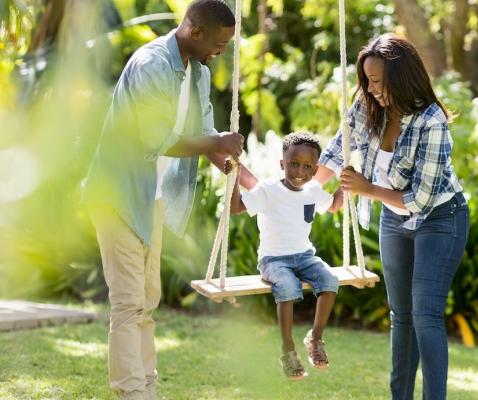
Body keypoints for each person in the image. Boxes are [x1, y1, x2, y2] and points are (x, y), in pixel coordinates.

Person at [82, 1, 258, 398]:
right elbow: (156, 139)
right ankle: (132, 392)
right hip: (119, 193)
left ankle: (146, 387)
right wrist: (215, 142)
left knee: (147, 298)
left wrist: (250, 182)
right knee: (129, 301)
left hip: (153, 195)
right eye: (220, 42)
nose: (222, 51)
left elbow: (206, 135)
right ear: (195, 32)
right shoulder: (152, 66)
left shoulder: (197, 73)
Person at [314, 34, 470, 400]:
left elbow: (420, 198)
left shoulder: (431, 121)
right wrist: (303, 190)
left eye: (378, 80)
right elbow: (337, 152)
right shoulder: (366, 106)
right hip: (394, 218)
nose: (370, 87)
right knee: (401, 316)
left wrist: (365, 188)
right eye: (366, 79)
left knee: (424, 315)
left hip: (440, 218)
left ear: (400, 78)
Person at [227, 131, 344, 380]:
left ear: (314, 170)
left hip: (304, 255)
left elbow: (333, 205)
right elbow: (236, 208)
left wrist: (348, 184)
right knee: (288, 285)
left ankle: (315, 338)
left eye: (307, 166)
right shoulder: (268, 190)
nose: (299, 171)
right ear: (282, 163)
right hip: (273, 259)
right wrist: (233, 177)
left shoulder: (312, 190)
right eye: (293, 164)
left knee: (330, 280)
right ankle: (288, 351)